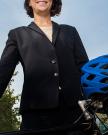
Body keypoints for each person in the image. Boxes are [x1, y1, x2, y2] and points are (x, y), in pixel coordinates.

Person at [0, 0, 89, 134]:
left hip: (74, 113)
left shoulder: (70, 31)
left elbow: (84, 69)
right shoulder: (17, 35)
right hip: (36, 117)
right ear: (29, 3)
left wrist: (99, 96)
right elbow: (3, 72)